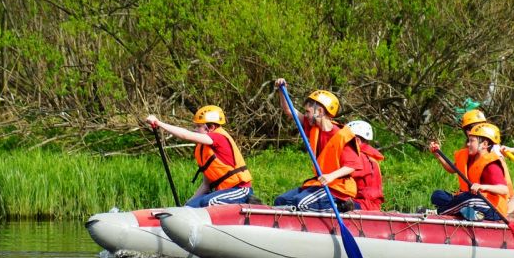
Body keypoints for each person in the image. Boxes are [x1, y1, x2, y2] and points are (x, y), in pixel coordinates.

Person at [273, 78, 361, 211]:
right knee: (281, 201)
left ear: (319, 111)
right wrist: (281, 90)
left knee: (300, 203)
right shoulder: (313, 128)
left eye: (308, 112)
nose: (306, 115)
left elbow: (351, 166)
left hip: (337, 188)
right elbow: (289, 111)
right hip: (319, 183)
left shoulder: (343, 135)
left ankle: (343, 206)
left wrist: (330, 176)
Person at [145, 105, 255, 207]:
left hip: (239, 190)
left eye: (198, 126)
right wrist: (187, 205)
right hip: (222, 192)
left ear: (211, 127)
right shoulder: (206, 149)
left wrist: (159, 123)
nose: (195, 130)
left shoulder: (218, 138)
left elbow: (185, 135)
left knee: (209, 202)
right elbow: (206, 185)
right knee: (190, 206)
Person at [429, 122, 512, 221]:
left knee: (468, 199)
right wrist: (438, 155)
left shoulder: (491, 165)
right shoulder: (470, 157)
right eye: (469, 140)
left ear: (484, 144)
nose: (468, 144)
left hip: (493, 208)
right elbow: (452, 169)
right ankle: (467, 212)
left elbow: (504, 189)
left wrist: (482, 187)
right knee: (438, 195)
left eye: (472, 141)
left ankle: (438, 212)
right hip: (469, 199)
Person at [345, 120, 384, 211]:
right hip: (365, 203)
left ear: (357, 141)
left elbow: (342, 176)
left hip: (365, 204)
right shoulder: (367, 157)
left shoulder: (361, 158)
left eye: (346, 140)